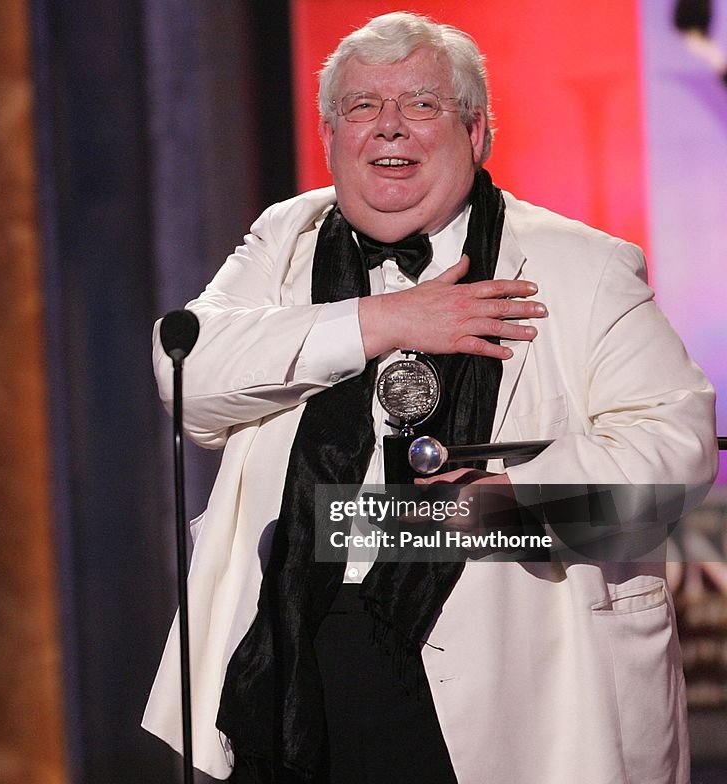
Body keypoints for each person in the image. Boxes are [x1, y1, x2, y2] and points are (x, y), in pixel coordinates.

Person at [143, 11, 718, 784]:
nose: (388, 128)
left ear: (477, 131)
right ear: (329, 136)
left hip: (512, 665)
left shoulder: (583, 265)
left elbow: (674, 450)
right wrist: (382, 321)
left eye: (421, 104)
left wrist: (502, 502)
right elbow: (189, 378)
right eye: (361, 107)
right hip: (291, 650)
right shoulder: (286, 237)